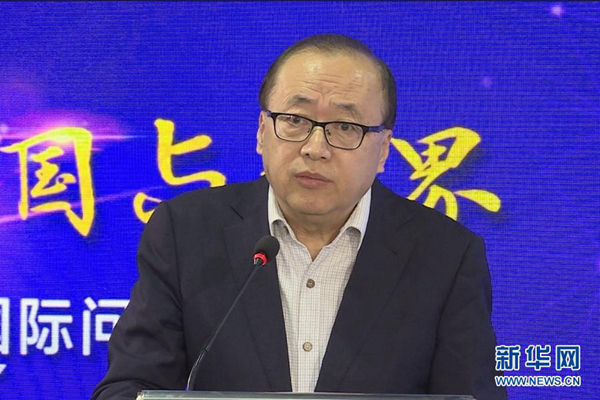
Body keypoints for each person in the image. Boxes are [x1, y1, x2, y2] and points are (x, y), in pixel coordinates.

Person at [92, 34, 506, 400]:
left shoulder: (446, 256)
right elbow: (129, 387)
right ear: (261, 131)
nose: (314, 148)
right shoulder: (186, 232)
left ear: (383, 150)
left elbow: (471, 396)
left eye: (345, 127)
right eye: (294, 120)